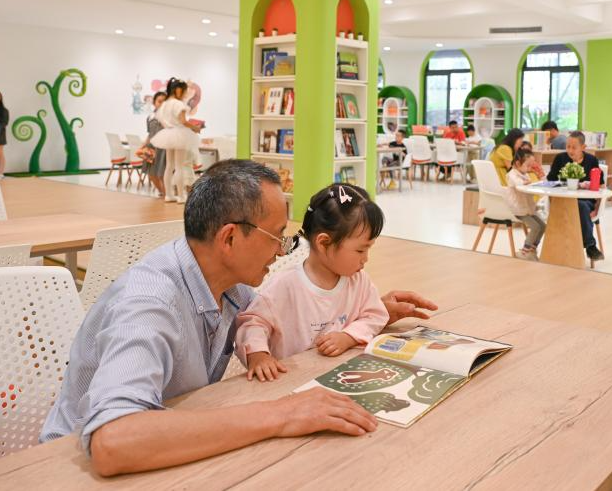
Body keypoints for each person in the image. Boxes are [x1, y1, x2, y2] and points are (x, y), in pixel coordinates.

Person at [40, 160, 438, 477]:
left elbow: (287, 316)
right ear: (229, 238)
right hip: (70, 470)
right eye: (277, 237)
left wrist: (373, 313)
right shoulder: (149, 303)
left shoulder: (230, 285)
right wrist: (282, 413)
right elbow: (113, 442)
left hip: (173, 448)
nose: (282, 251)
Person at [237, 184, 389, 379]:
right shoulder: (285, 285)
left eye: (368, 249)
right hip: (290, 379)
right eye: (360, 250)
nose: (365, 258)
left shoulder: (359, 282)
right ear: (324, 243)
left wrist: (349, 337)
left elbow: (375, 315)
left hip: (339, 375)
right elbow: (253, 323)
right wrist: (258, 355)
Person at [546, 131, 603, 261]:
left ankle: (589, 246)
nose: (570, 151)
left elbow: (601, 186)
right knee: (578, 206)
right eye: (568, 147)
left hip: (586, 202)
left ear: (583, 147)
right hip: (563, 201)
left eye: (574, 147)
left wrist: (597, 208)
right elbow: (550, 181)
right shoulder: (560, 158)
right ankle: (591, 246)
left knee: (581, 206)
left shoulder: (591, 160)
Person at [151, 78, 201, 204]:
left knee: (169, 166)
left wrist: (170, 127)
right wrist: (195, 128)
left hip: (168, 133)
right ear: (178, 90)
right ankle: (181, 196)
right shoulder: (178, 104)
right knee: (179, 166)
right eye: (184, 91)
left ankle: (169, 195)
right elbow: (183, 121)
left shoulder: (165, 104)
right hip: (179, 134)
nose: (185, 94)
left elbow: (161, 120)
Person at [505, 148, 545, 261]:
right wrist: (527, 183)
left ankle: (532, 249)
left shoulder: (525, 174)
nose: (529, 169)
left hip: (527, 208)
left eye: (531, 166)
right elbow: (519, 185)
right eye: (528, 165)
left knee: (543, 226)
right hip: (518, 210)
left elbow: (528, 185)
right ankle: (524, 251)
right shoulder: (512, 174)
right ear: (518, 163)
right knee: (536, 227)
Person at [139, 91, 168, 197]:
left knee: (162, 174)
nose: (162, 104)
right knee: (151, 174)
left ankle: (167, 195)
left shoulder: (168, 117)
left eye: (164, 102)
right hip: (151, 148)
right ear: (154, 103)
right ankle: (162, 193)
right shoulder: (150, 117)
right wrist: (144, 144)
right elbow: (150, 133)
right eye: (159, 101)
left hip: (163, 149)